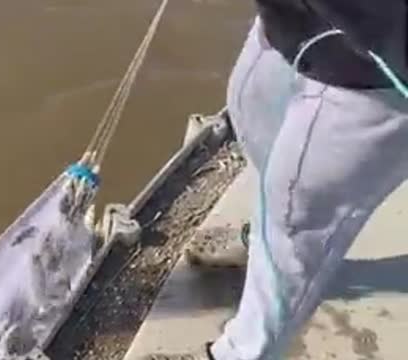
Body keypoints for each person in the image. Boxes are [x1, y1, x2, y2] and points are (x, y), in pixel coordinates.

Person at [148, 1, 408, 359]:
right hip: (294, 24)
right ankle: (261, 239)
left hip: (374, 73)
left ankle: (242, 352)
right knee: (250, 112)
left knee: (297, 223)